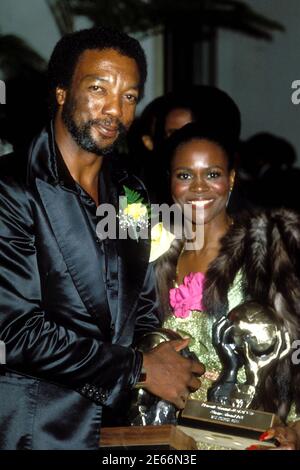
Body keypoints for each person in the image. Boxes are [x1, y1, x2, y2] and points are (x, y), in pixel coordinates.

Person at [0, 26, 204, 450]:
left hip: (117, 434)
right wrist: (138, 368)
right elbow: (15, 331)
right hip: (33, 430)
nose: (115, 110)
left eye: (129, 96)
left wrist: (172, 352)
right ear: (61, 92)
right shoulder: (12, 187)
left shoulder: (131, 193)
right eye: (99, 88)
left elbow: (140, 305)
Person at [152, 122, 300, 449]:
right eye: (185, 175)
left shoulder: (269, 253)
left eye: (213, 174)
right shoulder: (155, 254)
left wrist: (298, 430)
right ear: (170, 180)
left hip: (249, 435)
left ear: (231, 178)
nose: (199, 187)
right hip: (170, 439)